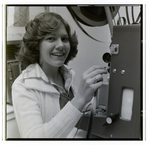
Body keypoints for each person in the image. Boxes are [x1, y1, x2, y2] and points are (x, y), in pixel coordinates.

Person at [12, 12, 107, 138]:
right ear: (36, 45)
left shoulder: (68, 75)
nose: (61, 45)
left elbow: (72, 123)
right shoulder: (23, 86)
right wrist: (80, 99)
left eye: (64, 39)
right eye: (51, 38)